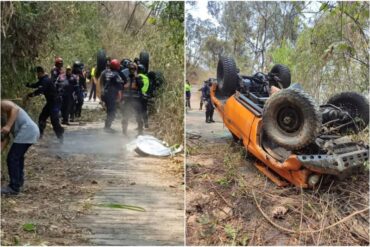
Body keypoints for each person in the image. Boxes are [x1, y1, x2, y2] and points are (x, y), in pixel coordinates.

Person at [1, 100, 40, 195]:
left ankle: (14, 188)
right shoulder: (2, 118)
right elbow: (5, 137)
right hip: (28, 132)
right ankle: (18, 182)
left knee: (12, 158)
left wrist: (8, 126)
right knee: (17, 157)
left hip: (27, 130)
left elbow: (16, 108)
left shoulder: (2, 103)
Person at [26, 66, 64, 142]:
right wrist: (28, 85)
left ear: (40, 73)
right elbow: (36, 85)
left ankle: (60, 136)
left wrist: (30, 95)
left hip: (55, 102)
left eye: (37, 74)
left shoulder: (46, 80)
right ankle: (40, 134)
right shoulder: (43, 80)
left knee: (54, 120)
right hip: (50, 103)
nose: (37, 75)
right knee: (42, 117)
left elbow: (40, 90)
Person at [120, 62, 144, 136]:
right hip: (127, 100)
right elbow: (121, 87)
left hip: (136, 100)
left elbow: (141, 85)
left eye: (133, 69)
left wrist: (136, 78)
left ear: (136, 69)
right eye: (130, 69)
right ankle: (124, 132)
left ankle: (140, 132)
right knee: (125, 117)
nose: (132, 70)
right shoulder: (125, 78)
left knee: (139, 116)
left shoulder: (138, 78)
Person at [100, 59, 124, 133]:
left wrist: (102, 93)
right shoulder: (116, 74)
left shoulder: (104, 72)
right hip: (111, 95)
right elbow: (119, 86)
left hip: (105, 94)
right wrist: (120, 97)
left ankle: (107, 127)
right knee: (112, 112)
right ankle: (107, 127)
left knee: (109, 111)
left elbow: (101, 82)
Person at [137, 64, 150, 128]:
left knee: (138, 111)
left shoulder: (138, 77)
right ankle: (146, 124)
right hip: (145, 95)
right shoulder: (146, 78)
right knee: (144, 110)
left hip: (139, 95)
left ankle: (140, 126)